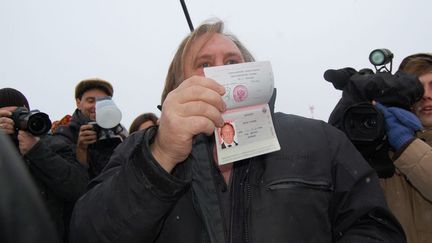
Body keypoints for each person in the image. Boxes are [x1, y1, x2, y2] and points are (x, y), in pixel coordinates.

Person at [69, 20, 405, 243]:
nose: (221, 72)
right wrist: (162, 155)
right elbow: (88, 233)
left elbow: (374, 226)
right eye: (205, 63)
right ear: (176, 86)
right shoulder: (140, 150)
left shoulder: (319, 140)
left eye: (232, 63)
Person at [0, 88, 88, 242]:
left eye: (16, 115)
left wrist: (36, 150)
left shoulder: (54, 145)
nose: (12, 122)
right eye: (5, 116)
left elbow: (79, 188)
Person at [376, 53, 432, 242]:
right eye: (417, 88)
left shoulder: (400, 145)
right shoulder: (383, 149)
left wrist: (405, 144)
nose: (426, 95)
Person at [54, 78, 127, 179]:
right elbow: (68, 179)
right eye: (91, 101)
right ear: (78, 103)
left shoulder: (120, 131)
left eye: (103, 101)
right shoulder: (65, 134)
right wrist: (81, 149)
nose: (97, 106)